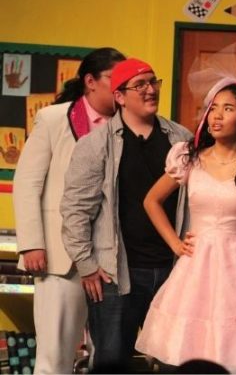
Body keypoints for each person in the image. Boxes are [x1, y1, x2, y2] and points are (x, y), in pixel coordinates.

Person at [135, 75, 236, 372]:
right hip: (196, 268)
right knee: (186, 352)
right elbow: (151, 201)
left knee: (232, 357)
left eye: (228, 109)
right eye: (213, 108)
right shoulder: (188, 158)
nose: (216, 116)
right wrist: (175, 243)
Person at [60, 58, 192, 372]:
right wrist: (87, 264)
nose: (150, 90)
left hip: (172, 270)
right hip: (116, 274)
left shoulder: (181, 140)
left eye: (153, 82)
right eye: (140, 84)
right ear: (119, 96)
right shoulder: (96, 146)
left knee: (175, 360)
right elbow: (75, 209)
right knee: (111, 362)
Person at [13, 48, 125, 375]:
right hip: (60, 257)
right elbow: (28, 182)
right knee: (54, 355)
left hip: (110, 257)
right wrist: (33, 242)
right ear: (90, 81)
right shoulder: (54, 119)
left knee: (107, 355)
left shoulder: (127, 124)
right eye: (115, 80)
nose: (122, 88)